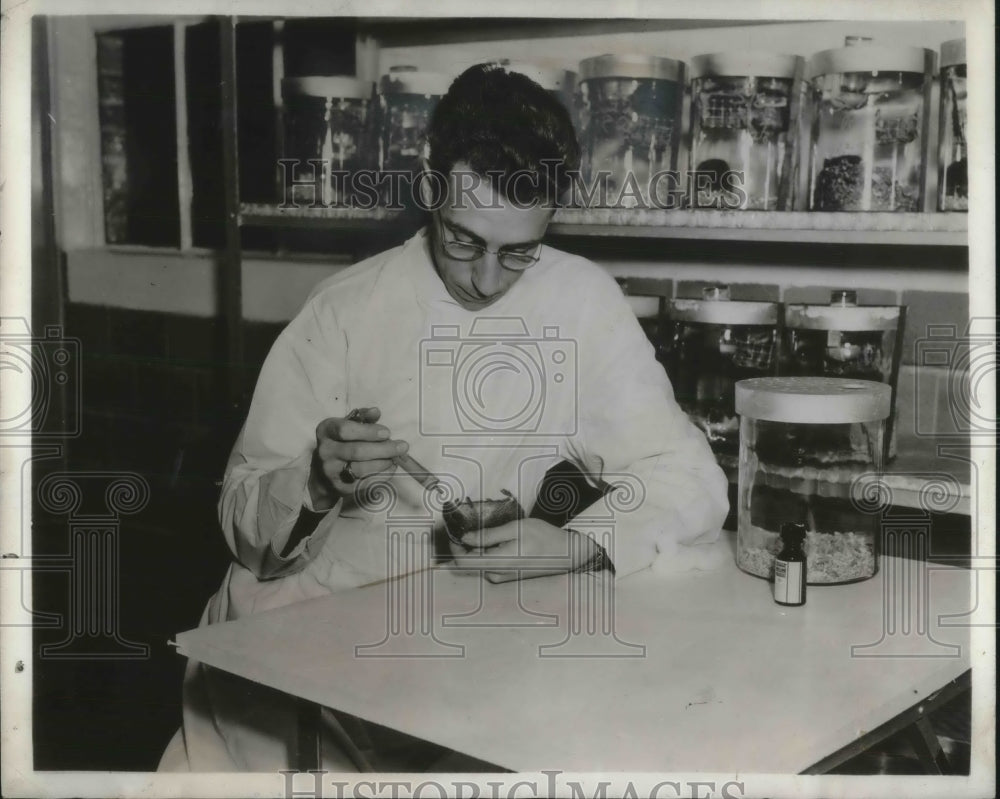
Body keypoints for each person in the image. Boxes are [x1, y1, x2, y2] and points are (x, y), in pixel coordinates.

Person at [159, 63, 728, 772]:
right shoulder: (344, 310)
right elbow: (246, 533)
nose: (487, 280)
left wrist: (580, 542)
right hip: (296, 648)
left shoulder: (582, 302)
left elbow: (690, 479)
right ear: (430, 188)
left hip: (461, 647)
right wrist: (316, 482)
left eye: (518, 251)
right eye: (464, 240)